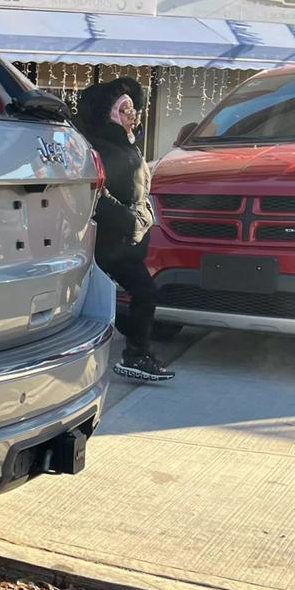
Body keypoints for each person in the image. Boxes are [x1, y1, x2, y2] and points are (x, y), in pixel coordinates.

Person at [75, 77, 176, 382]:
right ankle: (136, 354)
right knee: (144, 292)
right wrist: (129, 219)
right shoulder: (100, 146)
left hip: (128, 239)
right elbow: (95, 193)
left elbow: (138, 189)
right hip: (111, 239)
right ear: (109, 113)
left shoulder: (124, 144)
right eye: (125, 109)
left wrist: (142, 216)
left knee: (119, 295)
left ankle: (136, 351)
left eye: (133, 109)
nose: (133, 115)